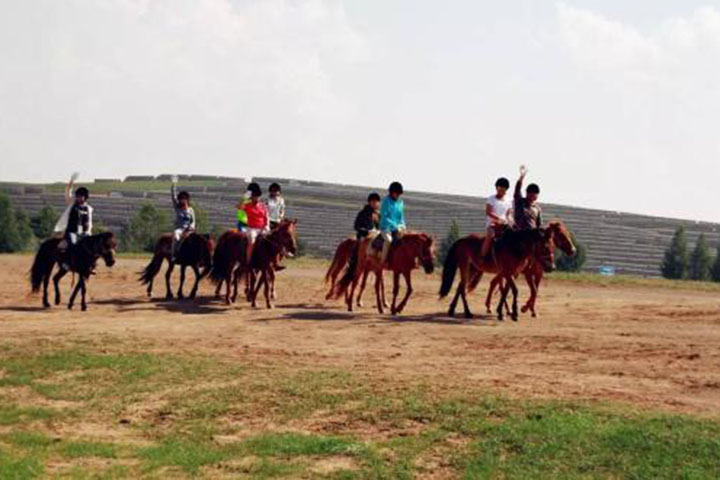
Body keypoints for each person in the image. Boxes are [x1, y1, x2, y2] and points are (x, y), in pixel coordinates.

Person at [60, 176, 93, 269]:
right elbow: (67, 193)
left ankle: (89, 264)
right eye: (77, 196)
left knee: (92, 245)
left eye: (81, 196)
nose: (79, 198)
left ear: (85, 197)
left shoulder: (88, 208)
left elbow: (89, 223)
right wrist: (70, 183)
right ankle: (67, 262)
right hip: (71, 231)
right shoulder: (71, 204)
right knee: (73, 243)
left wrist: (89, 232)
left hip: (83, 233)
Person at [481, 177, 512, 259]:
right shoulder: (491, 199)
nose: (501, 190)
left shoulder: (508, 200)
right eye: (499, 187)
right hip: (492, 224)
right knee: (490, 235)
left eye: (503, 188)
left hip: (504, 224)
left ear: (506, 189)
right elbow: (488, 212)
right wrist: (498, 218)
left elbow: (508, 214)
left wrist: (511, 221)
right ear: (496, 188)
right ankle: (483, 256)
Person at [241, 182, 269, 265]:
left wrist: (267, 226)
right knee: (252, 241)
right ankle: (248, 260)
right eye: (254, 196)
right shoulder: (247, 205)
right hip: (252, 229)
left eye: (258, 196)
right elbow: (238, 206)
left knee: (274, 239)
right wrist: (246, 195)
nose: (256, 198)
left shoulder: (263, 206)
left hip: (263, 228)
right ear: (251, 197)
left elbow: (266, 217)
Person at [379, 181, 406, 264]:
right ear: (391, 192)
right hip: (386, 228)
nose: (398, 195)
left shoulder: (400, 203)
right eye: (396, 193)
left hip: (397, 228)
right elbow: (384, 216)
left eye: (399, 194)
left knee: (406, 240)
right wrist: (395, 226)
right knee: (389, 240)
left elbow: (401, 217)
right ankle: (383, 261)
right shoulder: (386, 202)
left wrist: (403, 225)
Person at [171, 175, 196, 261]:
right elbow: (173, 197)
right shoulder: (177, 208)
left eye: (184, 199)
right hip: (180, 229)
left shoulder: (191, 209)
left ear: (187, 200)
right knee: (176, 235)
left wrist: (192, 227)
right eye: (181, 199)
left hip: (189, 230)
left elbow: (193, 221)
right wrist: (174, 184)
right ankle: (174, 254)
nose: (183, 200)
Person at [513, 165, 542, 231]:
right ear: (527, 193)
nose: (532, 195)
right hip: (518, 233)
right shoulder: (520, 202)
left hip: (532, 236)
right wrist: (521, 177)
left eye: (535, 193)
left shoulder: (537, 209)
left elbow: (539, 225)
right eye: (530, 193)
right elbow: (517, 190)